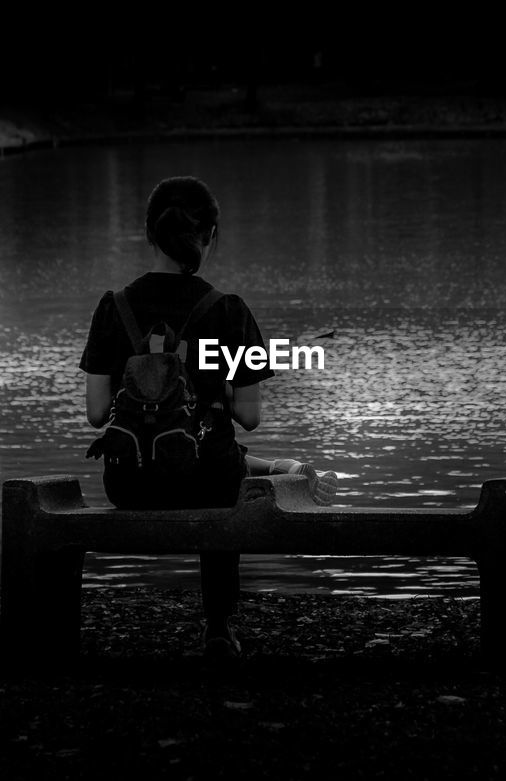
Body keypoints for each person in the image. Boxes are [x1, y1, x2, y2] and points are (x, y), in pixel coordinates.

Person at [79, 176, 334, 661]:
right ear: (211, 235)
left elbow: (96, 415)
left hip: (129, 481)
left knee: (219, 463)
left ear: (149, 234)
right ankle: (219, 624)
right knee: (220, 475)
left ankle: (276, 467)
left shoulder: (114, 309)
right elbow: (248, 416)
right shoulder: (227, 312)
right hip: (206, 482)